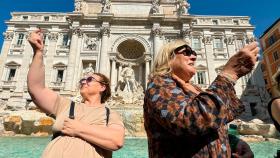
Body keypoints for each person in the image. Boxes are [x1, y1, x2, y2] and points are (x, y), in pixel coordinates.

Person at [144, 39, 259, 157]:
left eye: (194, 52)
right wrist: (228, 75)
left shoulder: (196, 89)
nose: (193, 56)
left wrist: (235, 143)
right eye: (187, 52)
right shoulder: (159, 84)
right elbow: (191, 122)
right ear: (168, 58)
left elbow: (218, 121)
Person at [27, 29, 125, 158]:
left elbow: (116, 141)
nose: (84, 81)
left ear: (102, 87)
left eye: (90, 79)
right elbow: (36, 89)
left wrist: (78, 128)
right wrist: (38, 52)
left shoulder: (110, 114)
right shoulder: (66, 105)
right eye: (82, 79)